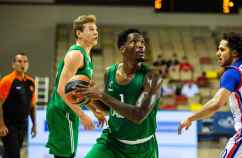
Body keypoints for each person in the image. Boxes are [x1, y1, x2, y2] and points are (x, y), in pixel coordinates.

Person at [177, 32, 242, 158]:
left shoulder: (232, 73)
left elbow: (216, 104)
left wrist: (190, 118)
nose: (217, 53)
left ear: (234, 53)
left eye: (222, 50)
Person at [77, 29, 162, 158]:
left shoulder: (152, 76)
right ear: (122, 49)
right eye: (134, 42)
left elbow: (138, 115)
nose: (141, 45)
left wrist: (101, 95)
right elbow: (108, 108)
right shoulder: (110, 72)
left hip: (143, 148)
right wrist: (90, 96)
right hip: (112, 143)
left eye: (142, 42)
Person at [46, 14, 100, 158]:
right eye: (91, 29)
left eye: (96, 29)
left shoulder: (86, 56)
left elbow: (79, 92)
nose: (96, 32)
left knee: (68, 154)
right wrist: (83, 115)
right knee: (65, 155)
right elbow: (61, 90)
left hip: (68, 110)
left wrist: (94, 110)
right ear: (79, 33)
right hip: (61, 111)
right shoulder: (76, 55)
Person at [0, 53, 37, 158]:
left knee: (11, 154)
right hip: (8, 125)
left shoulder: (31, 82)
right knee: (14, 155)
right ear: (13, 64)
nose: (23, 64)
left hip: (22, 125)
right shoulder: (7, 81)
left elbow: (32, 106)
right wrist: (1, 124)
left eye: (25, 61)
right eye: (19, 61)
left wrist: (34, 125)